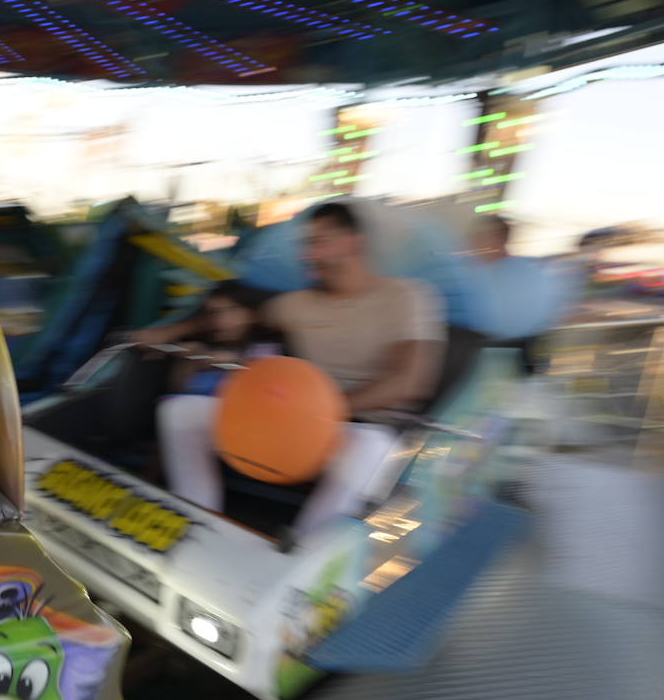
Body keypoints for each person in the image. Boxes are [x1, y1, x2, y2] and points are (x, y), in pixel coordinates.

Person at [137, 202, 446, 539]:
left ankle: (304, 550)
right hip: (293, 416)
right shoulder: (295, 304)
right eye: (306, 244)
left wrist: (321, 413)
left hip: (359, 426)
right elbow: (234, 320)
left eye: (319, 242)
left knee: (372, 448)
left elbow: (410, 382)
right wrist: (169, 333)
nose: (307, 254)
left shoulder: (407, 297)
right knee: (179, 413)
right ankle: (196, 521)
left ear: (354, 242)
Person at [466, 214, 572, 373]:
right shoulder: (532, 271)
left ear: (496, 239)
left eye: (478, 238)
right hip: (523, 359)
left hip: (500, 360)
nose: (472, 244)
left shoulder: (489, 276)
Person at [166, 281, 282, 396]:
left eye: (232, 310)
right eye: (214, 313)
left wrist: (237, 361)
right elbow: (180, 392)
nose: (221, 320)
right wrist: (189, 364)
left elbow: (274, 387)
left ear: (251, 314)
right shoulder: (205, 347)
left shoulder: (268, 348)